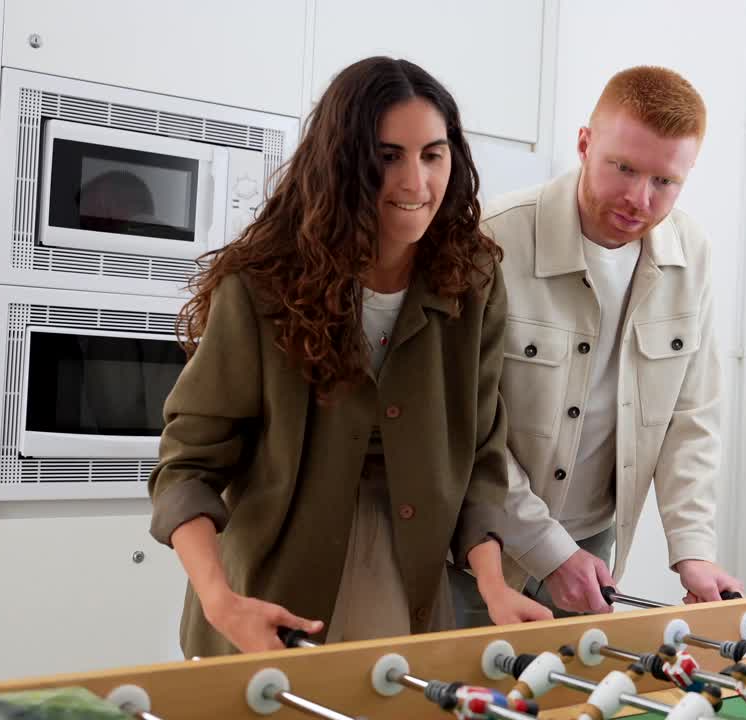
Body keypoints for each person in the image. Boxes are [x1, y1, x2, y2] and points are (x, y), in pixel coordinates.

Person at [147, 56, 549, 657]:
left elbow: (479, 454)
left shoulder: (474, 281)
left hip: (411, 586)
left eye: (432, 155)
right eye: (388, 157)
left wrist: (493, 585)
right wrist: (220, 600)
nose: (416, 183)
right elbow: (187, 467)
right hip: (269, 595)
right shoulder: (260, 286)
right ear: (341, 162)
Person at [449, 65, 741, 623]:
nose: (639, 199)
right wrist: (548, 550)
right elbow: (463, 424)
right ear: (584, 144)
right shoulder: (492, 239)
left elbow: (692, 416)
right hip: (476, 549)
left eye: (665, 182)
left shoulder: (691, 253)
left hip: (593, 545)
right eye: (623, 168)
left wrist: (693, 551)